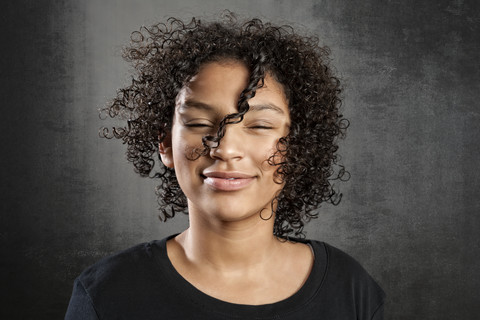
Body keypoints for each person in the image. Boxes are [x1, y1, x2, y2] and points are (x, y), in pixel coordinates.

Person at [65, 12, 385, 319]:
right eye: (200, 122)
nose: (226, 148)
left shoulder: (352, 290)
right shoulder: (106, 294)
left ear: (298, 145)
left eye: (259, 126)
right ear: (164, 142)